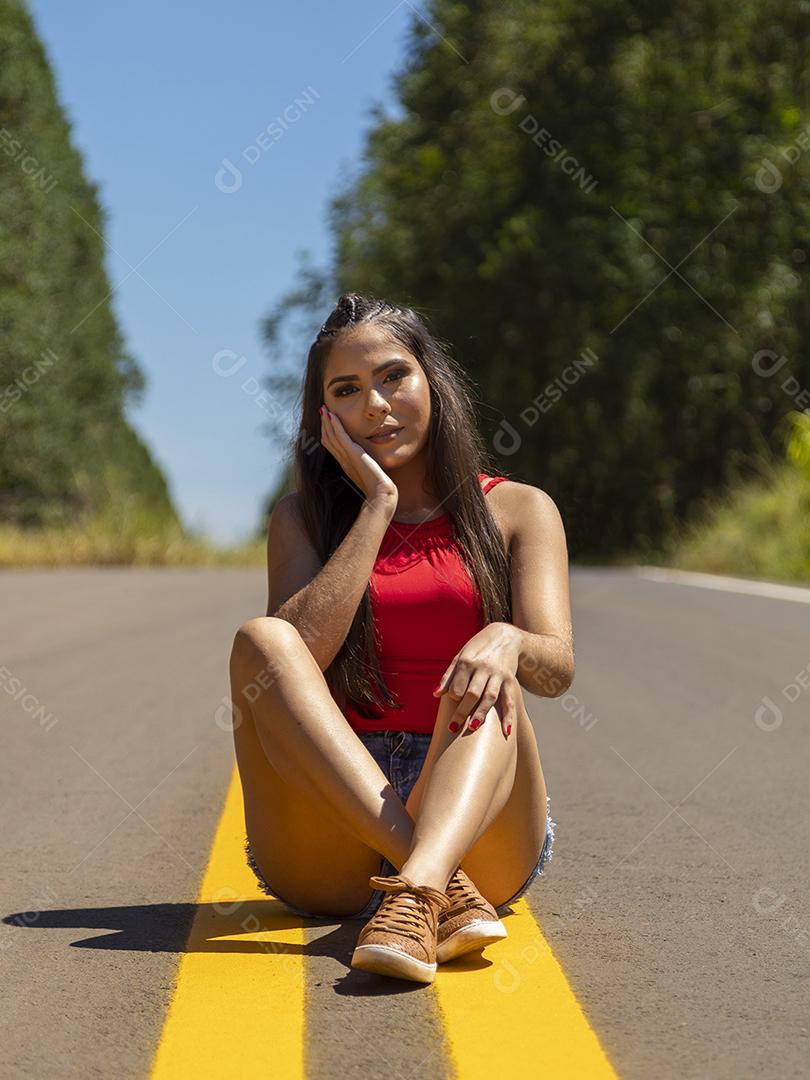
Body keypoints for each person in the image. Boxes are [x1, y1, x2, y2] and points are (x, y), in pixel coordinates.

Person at [229, 292, 574, 984]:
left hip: (476, 812)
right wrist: (378, 505)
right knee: (262, 641)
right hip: (332, 823)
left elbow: (555, 669)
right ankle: (430, 882)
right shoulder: (303, 519)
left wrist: (506, 638)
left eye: (393, 376)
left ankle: (418, 888)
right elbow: (302, 652)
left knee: (490, 673)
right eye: (348, 390)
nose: (376, 405)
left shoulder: (518, 509)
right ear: (325, 417)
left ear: (431, 381)